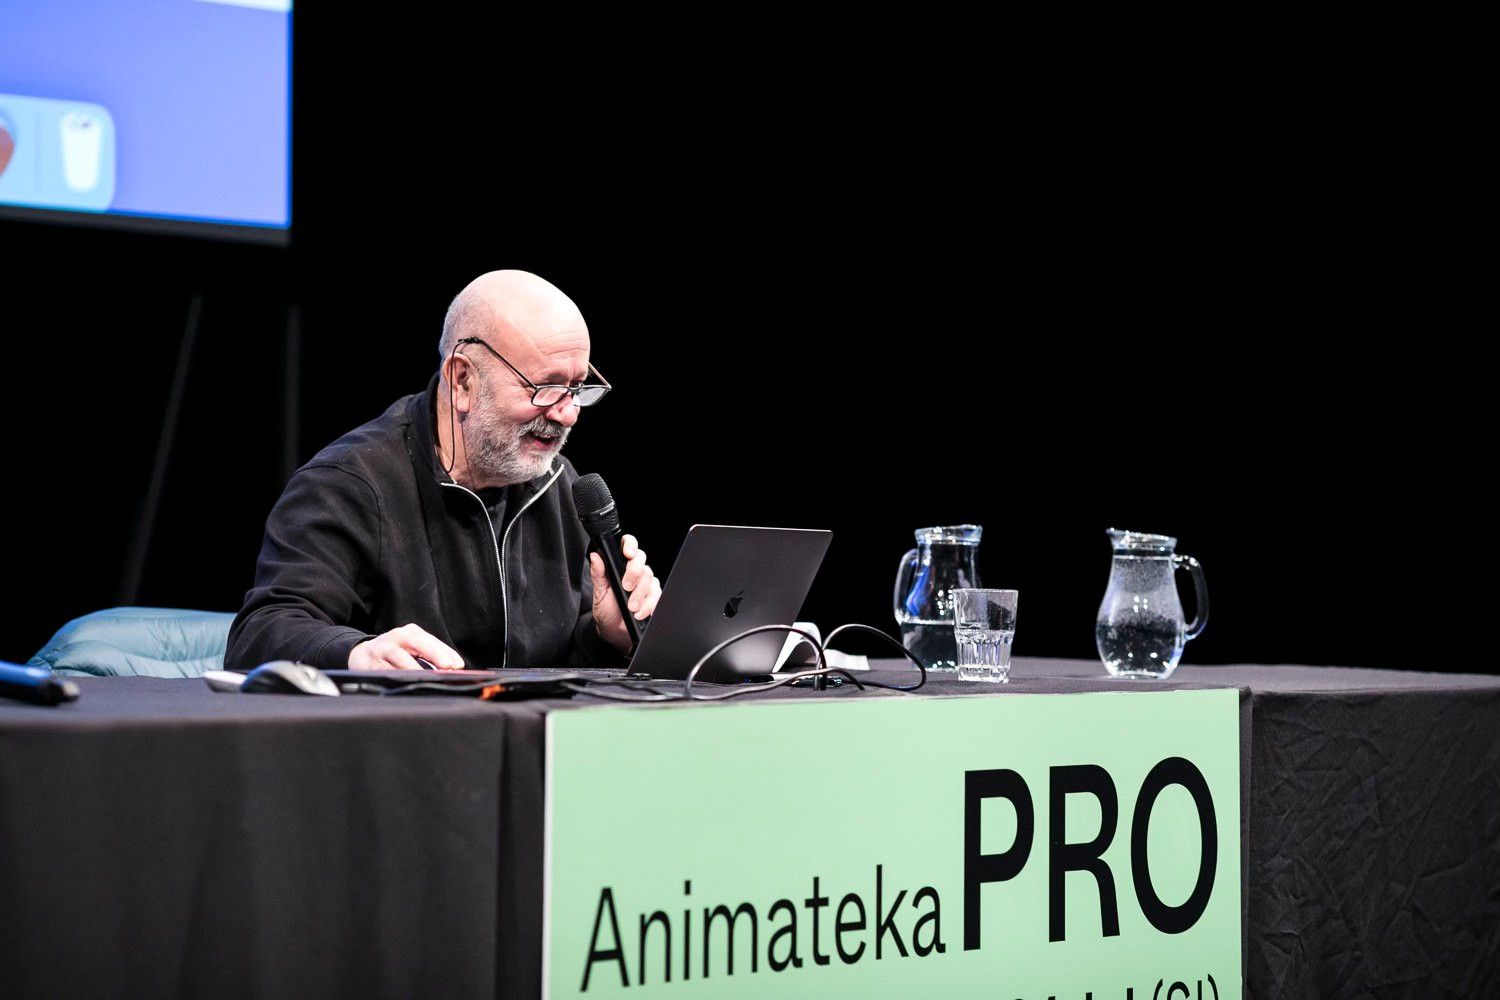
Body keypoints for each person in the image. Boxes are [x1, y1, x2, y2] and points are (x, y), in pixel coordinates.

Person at [225, 270, 660, 671]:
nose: (568, 414)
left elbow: (553, 667)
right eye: (546, 387)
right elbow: (260, 635)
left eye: (576, 388)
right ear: (463, 380)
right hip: (398, 729)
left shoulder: (559, 483)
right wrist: (355, 652)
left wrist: (607, 636)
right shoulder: (350, 483)